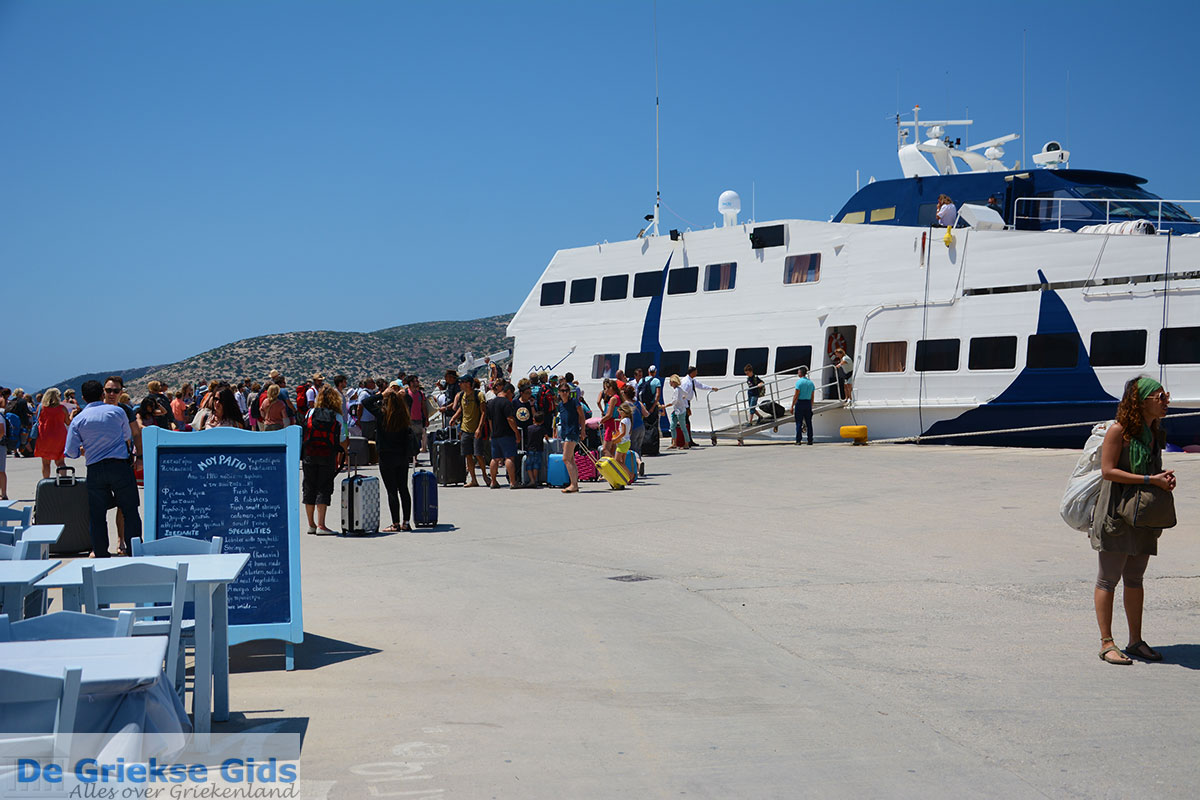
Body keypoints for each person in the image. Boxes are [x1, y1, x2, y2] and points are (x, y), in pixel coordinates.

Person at [1091, 377, 1177, 665]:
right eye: (1160, 397)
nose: (1166, 401)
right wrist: (1150, 479)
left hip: (1143, 515)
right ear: (1141, 401)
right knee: (1108, 579)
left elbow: (1151, 471)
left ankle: (1135, 641)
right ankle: (1107, 643)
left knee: (1135, 579)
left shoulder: (1154, 431)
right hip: (1116, 512)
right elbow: (1108, 471)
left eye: (1166, 396)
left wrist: (1162, 480)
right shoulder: (1119, 431)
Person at [64, 380, 141, 558]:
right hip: (119, 466)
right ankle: (134, 550)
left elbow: (71, 452)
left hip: (95, 468)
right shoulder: (117, 412)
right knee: (130, 510)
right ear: (102, 394)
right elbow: (127, 435)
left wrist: (85, 449)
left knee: (97, 514)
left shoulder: (79, 419)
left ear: (83, 398)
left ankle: (100, 552)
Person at [363, 383, 415, 532]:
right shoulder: (403, 415)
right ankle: (406, 522)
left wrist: (382, 394)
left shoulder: (382, 414)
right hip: (402, 455)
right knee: (403, 488)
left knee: (392, 490)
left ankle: (395, 523)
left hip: (386, 456)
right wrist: (402, 394)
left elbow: (366, 402)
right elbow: (409, 400)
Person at [302, 385, 348, 535]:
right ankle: (321, 525)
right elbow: (342, 437)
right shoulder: (337, 416)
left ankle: (311, 524)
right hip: (328, 455)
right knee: (324, 487)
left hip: (309, 454)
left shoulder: (310, 412)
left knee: (309, 487)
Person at [448, 375, 489, 487]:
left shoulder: (478, 395)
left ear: (468, 383)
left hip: (476, 429)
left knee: (478, 454)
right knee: (468, 455)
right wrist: (454, 418)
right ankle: (473, 480)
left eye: (462, 382)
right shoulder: (462, 395)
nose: (460, 384)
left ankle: (485, 476)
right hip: (465, 429)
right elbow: (461, 408)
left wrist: (479, 428)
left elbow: (484, 412)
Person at [486, 382, 520, 489]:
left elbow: (490, 420)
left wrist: (492, 432)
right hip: (506, 434)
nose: (512, 396)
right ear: (508, 391)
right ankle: (513, 482)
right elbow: (510, 419)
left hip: (495, 434)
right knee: (509, 458)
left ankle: (493, 481)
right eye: (512, 394)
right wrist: (516, 432)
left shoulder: (491, 403)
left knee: (495, 458)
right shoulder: (506, 403)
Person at [556, 381, 587, 494]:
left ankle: (573, 484)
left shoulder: (574, 402)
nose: (564, 393)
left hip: (572, 432)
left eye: (566, 391)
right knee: (571, 459)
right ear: (559, 392)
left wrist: (582, 430)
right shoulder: (560, 405)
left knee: (566, 458)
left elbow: (582, 416)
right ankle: (574, 483)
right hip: (564, 433)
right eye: (562, 391)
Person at [34, 387, 70, 479]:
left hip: (44, 436)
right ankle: (63, 479)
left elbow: (38, 419)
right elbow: (68, 422)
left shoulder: (41, 407)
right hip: (60, 436)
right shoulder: (62, 408)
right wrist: (72, 414)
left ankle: (46, 481)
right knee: (60, 462)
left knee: (46, 463)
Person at [404, 375, 431, 461]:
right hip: (409, 420)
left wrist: (426, 419)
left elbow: (423, 407)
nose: (417, 382)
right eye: (415, 381)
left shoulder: (420, 394)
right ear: (411, 383)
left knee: (417, 439)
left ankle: (414, 458)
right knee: (408, 439)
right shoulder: (406, 393)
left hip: (418, 419)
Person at [788, 366, 816, 445]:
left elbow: (796, 395)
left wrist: (792, 406)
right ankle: (810, 440)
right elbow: (812, 395)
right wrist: (811, 404)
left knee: (799, 422)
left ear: (800, 373)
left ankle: (798, 440)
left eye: (798, 372)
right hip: (808, 403)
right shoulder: (811, 383)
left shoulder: (799, 382)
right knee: (809, 422)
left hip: (800, 403)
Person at [666, 374, 690, 449]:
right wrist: (683, 397)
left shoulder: (677, 390)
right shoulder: (679, 389)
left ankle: (686, 444)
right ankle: (674, 443)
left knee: (683, 428)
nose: (669, 383)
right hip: (677, 411)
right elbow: (686, 394)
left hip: (680, 411)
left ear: (673, 382)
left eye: (670, 381)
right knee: (672, 427)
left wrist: (665, 406)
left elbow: (674, 401)